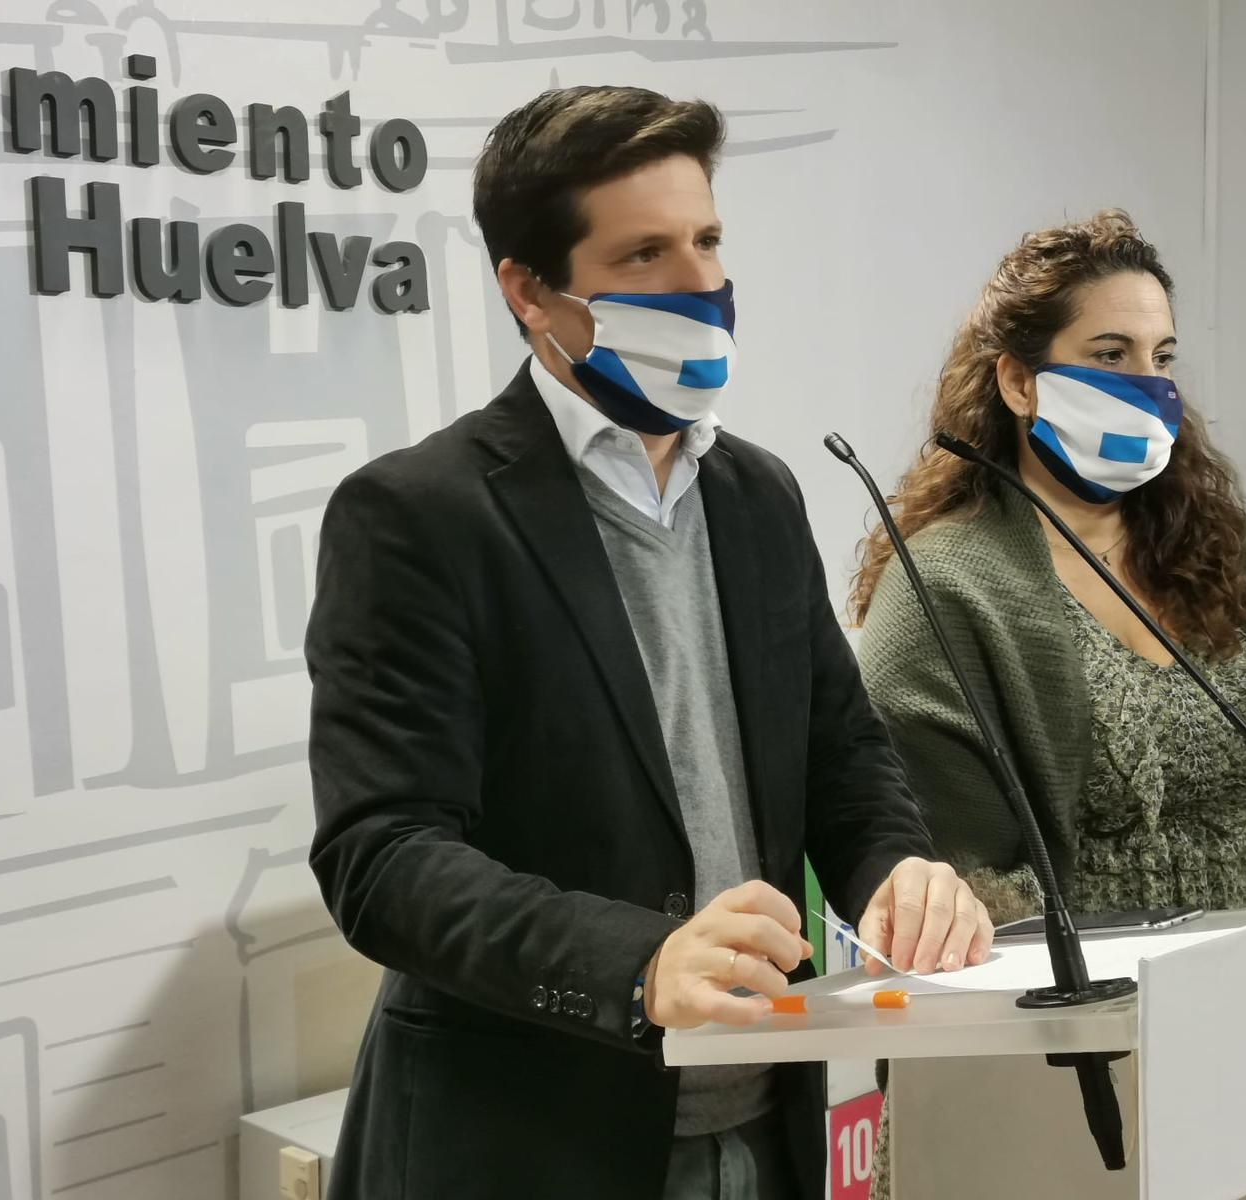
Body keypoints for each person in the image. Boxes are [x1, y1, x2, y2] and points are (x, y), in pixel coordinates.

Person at [305, 85, 994, 1200]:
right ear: (530, 292)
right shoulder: (417, 515)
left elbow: (842, 760)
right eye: (644, 255)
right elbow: (382, 857)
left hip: (767, 1122)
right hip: (527, 1146)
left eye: (708, 240)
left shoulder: (757, 495)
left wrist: (898, 872)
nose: (701, 285)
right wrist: (639, 964)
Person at [851, 210, 1246, 1199]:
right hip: (1043, 1070)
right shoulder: (945, 587)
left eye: (1161, 356)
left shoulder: (1230, 557)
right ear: (1017, 382)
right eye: (1107, 353)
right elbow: (956, 882)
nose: (1145, 382)